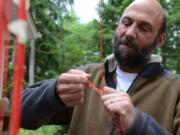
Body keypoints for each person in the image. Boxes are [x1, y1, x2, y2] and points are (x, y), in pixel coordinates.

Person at [21, 0, 180, 135]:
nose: (130, 32)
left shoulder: (176, 89)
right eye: (126, 22)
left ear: (160, 40)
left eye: (144, 28)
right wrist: (53, 93)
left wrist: (138, 124)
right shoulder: (87, 75)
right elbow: (18, 114)